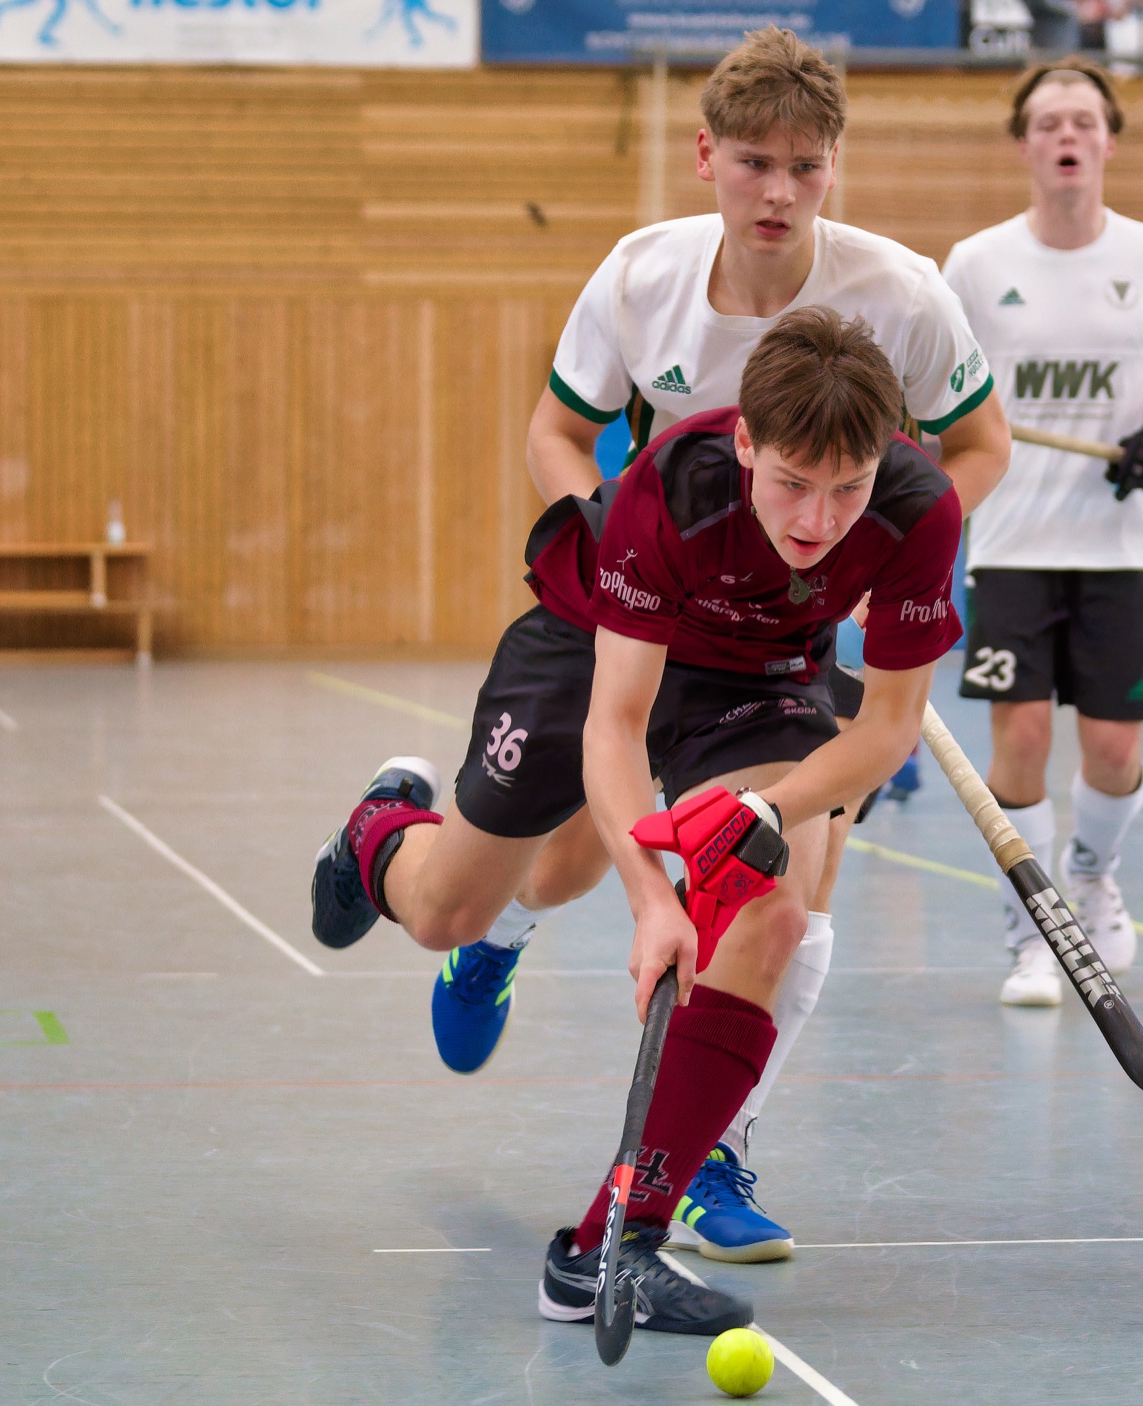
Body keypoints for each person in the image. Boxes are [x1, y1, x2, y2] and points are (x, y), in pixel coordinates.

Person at [413, 25, 1009, 1263]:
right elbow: (555, 435)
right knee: (555, 866)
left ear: (835, 166)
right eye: (754, 163)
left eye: (806, 165)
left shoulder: (901, 294)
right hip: (639, 591)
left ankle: (705, 1155)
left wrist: (868, 564)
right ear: (706, 158)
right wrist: (621, 545)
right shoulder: (643, 276)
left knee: (789, 876)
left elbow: (979, 447)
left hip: (779, 629)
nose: (779, 191)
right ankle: (487, 923)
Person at [314, 308, 964, 1334]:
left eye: (848, 487)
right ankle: (380, 833)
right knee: (457, 909)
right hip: (596, 643)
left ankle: (606, 1249)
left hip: (756, 676)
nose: (818, 518)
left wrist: (763, 808)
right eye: (793, 481)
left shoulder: (920, 508)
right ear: (745, 442)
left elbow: (886, 729)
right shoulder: (674, 486)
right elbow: (616, 725)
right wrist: (654, 899)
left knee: (771, 915)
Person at [939, 57, 1143, 1007]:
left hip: (1115, 548)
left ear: (1108, 142)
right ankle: (1035, 938)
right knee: (1018, 739)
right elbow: (937, 393)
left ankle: (1093, 879)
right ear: (1024, 144)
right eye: (1050, 121)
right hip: (1011, 541)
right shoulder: (976, 265)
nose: (1068, 135)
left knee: (1112, 749)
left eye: (1085, 121)